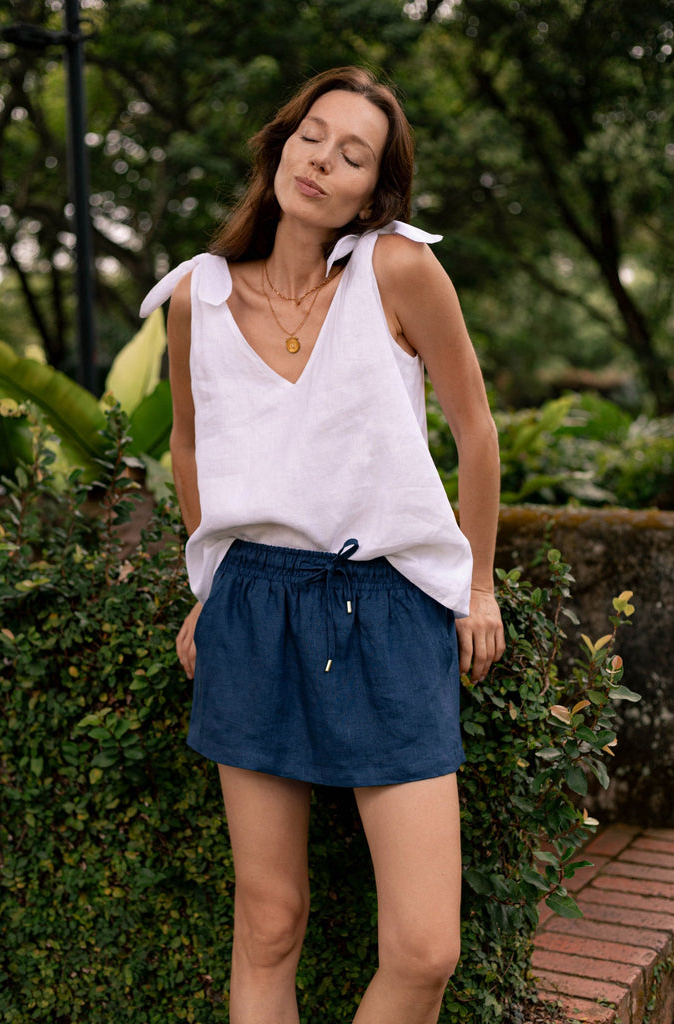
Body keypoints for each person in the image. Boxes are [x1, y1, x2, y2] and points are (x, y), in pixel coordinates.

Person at [140, 65, 505, 1024]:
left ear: (370, 190)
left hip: (386, 604)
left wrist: (477, 589)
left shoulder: (398, 268)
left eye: (353, 154)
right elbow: (187, 442)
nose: (322, 160)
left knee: (426, 947)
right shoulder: (196, 297)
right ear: (280, 143)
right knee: (268, 922)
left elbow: (475, 429)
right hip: (252, 609)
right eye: (313, 134)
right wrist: (209, 579)